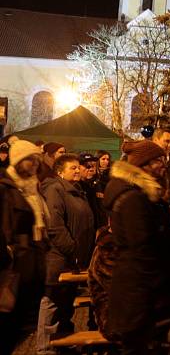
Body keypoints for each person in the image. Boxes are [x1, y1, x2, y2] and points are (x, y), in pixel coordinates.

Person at [103, 139, 170, 355]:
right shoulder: (133, 198)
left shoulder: (144, 194)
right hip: (141, 295)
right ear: (144, 164)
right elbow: (140, 249)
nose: (164, 164)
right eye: (159, 160)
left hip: (149, 292)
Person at [36, 154, 95, 353]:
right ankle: (45, 347)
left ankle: (63, 341)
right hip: (59, 256)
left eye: (78, 167)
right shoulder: (55, 189)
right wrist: (73, 250)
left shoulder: (77, 191)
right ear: (60, 172)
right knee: (52, 300)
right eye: (72, 168)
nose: (78, 170)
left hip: (74, 258)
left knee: (65, 301)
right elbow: (55, 226)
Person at [0, 140, 48, 355]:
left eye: (37, 160)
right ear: (19, 160)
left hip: (29, 265)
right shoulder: (6, 189)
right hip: (12, 268)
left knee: (18, 327)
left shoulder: (32, 190)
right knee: (6, 326)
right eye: (31, 160)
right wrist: (9, 254)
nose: (35, 165)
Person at [78, 153, 106, 228]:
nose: (91, 168)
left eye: (93, 165)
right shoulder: (76, 187)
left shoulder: (98, 184)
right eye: (87, 166)